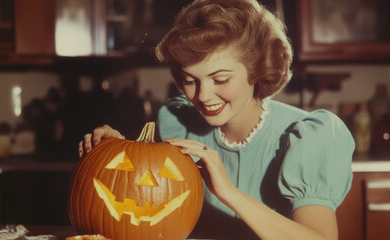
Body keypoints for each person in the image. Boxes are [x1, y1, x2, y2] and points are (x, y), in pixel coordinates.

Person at [79, 0, 355, 239]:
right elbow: (146, 199)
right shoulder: (178, 121)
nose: (203, 95)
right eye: (189, 80)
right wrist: (112, 153)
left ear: (257, 71)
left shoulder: (310, 136)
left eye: (220, 79)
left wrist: (228, 193)